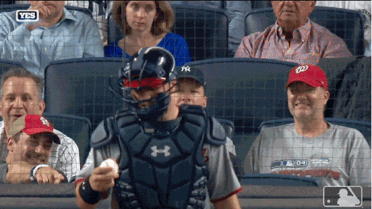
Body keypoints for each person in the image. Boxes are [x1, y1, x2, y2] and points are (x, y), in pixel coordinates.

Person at [75, 47, 241, 209]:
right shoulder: (113, 132)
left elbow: (225, 200)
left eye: (150, 85)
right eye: (135, 87)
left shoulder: (205, 131)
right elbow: (83, 202)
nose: (142, 96)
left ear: (172, 84)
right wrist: (91, 186)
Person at [244, 64, 371, 186]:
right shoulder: (266, 138)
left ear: (325, 97)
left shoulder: (350, 139)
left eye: (309, 89)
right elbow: (246, 191)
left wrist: (327, 199)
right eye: (294, 90)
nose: (301, 96)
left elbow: (367, 198)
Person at [0, 67, 80, 183]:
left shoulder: (66, 147)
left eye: (26, 98)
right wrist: (36, 170)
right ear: (1, 107)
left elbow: (70, 194)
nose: (17, 105)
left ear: (40, 108)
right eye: (10, 98)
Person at [0, 1, 104, 77]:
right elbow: (2, 66)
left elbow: (95, 74)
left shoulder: (85, 24)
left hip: (67, 100)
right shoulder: (5, 21)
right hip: (18, 100)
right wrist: (26, 27)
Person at [234, 1, 352, 65]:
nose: (288, 3)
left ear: (312, 3)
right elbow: (240, 91)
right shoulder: (250, 45)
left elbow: (336, 97)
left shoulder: (331, 45)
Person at [104, 1, 191, 67]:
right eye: (135, 7)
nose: (140, 15)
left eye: (148, 9)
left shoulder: (176, 43)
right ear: (124, 10)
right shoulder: (111, 52)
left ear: (157, 13)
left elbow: (184, 81)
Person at [6, 114, 66, 184]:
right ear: (11, 144)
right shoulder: (2, 171)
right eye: (33, 142)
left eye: (47, 145)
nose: (40, 151)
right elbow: (12, 172)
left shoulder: (56, 177)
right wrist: (36, 171)